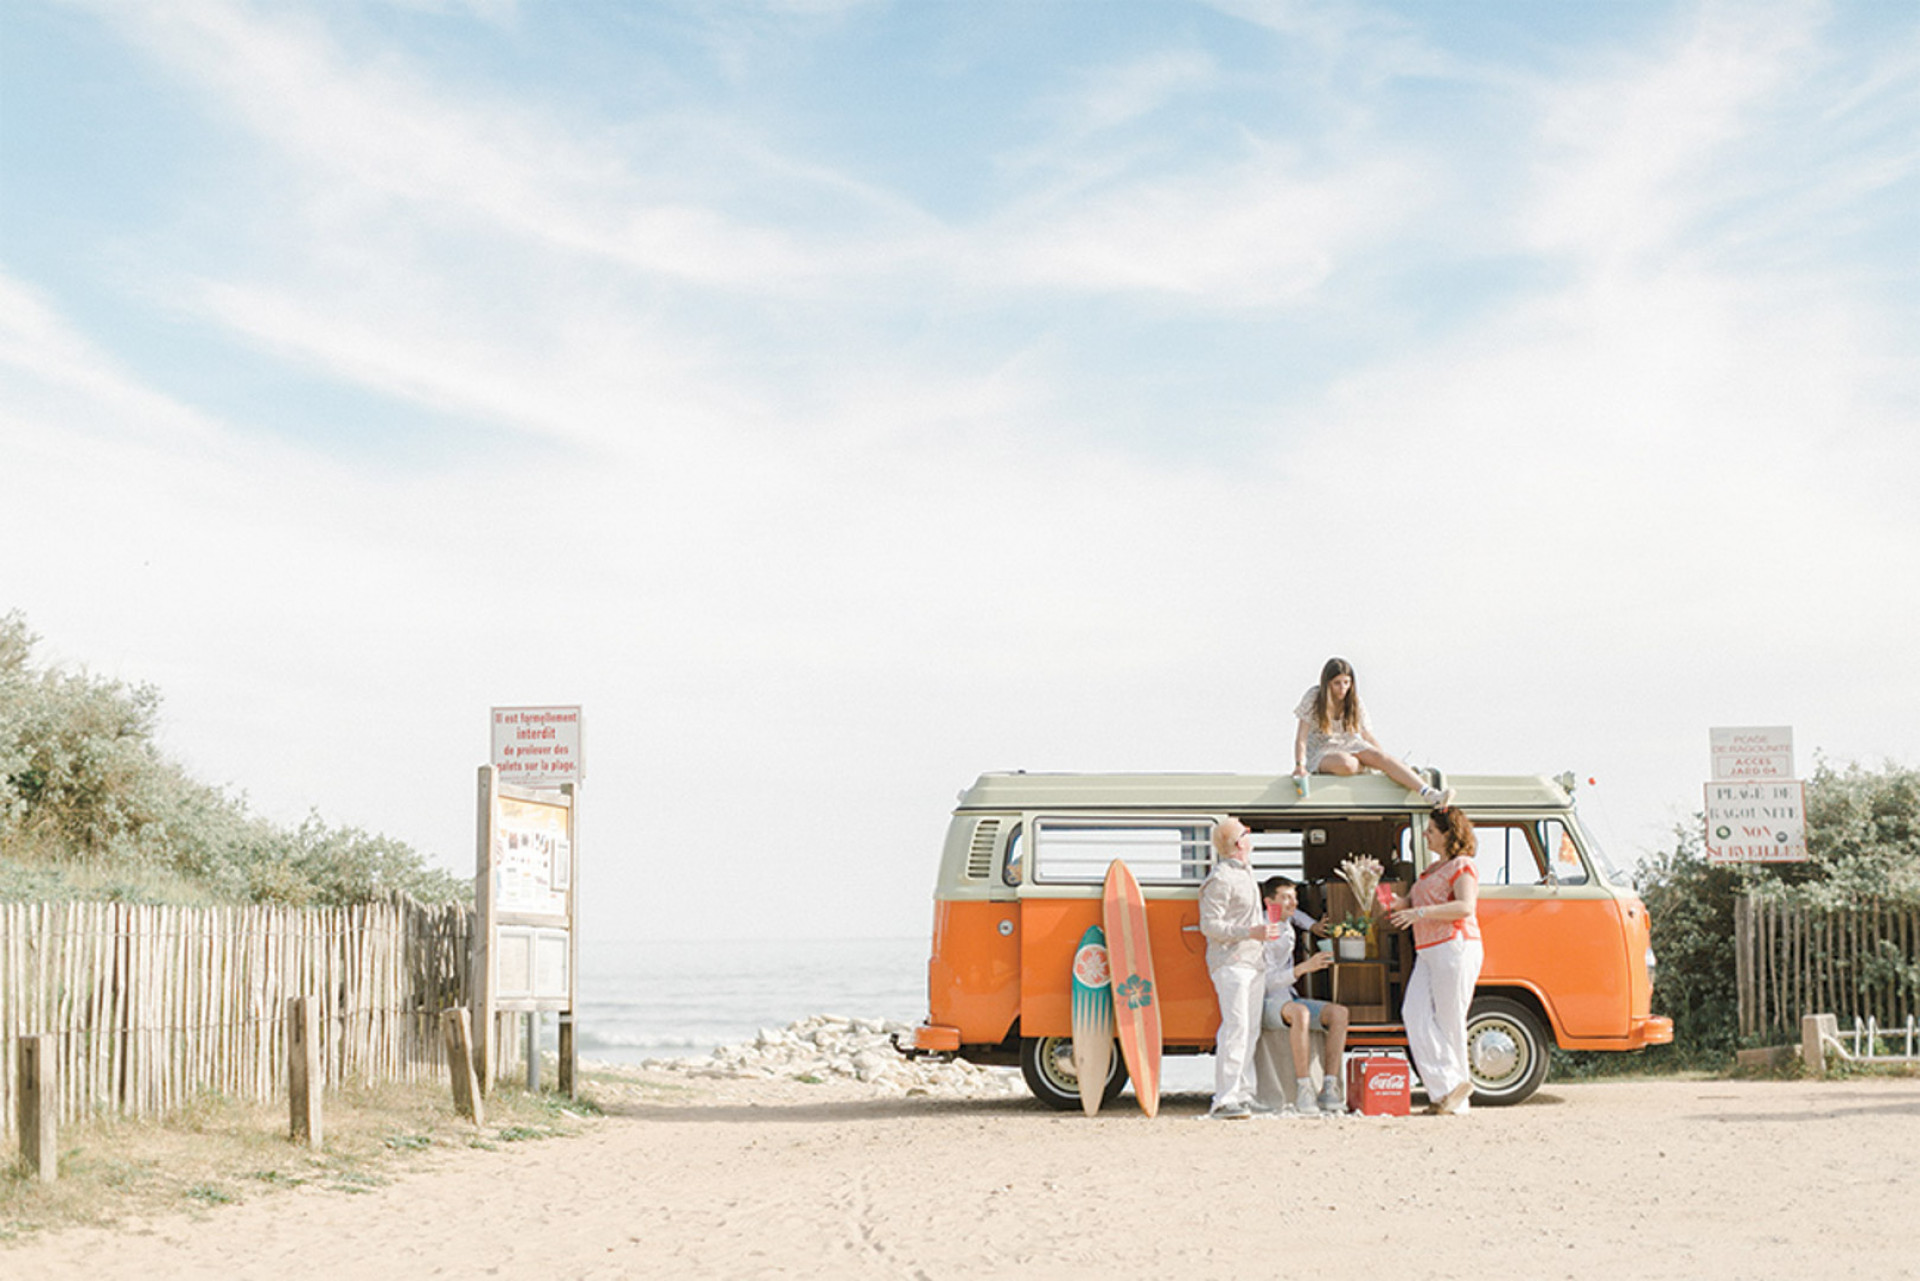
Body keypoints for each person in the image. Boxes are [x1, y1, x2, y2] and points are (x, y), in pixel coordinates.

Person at [1387, 803, 1482, 1115]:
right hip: (1428, 950)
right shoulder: (1431, 870)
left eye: (1430, 831)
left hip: (1454, 945)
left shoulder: (1462, 865)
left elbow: (1465, 907)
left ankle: (1454, 1100)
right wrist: (1380, 892)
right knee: (1413, 1014)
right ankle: (1447, 1087)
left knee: (1450, 1021)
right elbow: (1407, 904)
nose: (1425, 836)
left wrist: (1420, 912)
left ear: (1447, 834)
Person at [1293, 657, 1452, 806]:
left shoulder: (1354, 701)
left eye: (1346, 682)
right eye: (1337, 683)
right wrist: (1300, 765)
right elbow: (1301, 737)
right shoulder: (1314, 697)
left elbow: (1366, 735)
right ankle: (1368, 768)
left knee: (1380, 757)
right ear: (1327, 683)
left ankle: (1429, 793)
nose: (1343, 688)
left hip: (1349, 744)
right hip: (1322, 748)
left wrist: (1382, 760)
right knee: (1348, 764)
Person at [1198, 816, 1271, 1120]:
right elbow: (1209, 925)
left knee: (1250, 1029)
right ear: (1240, 843)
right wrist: (1250, 932)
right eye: (1246, 832)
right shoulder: (1221, 878)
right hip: (1232, 962)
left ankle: (1242, 1092)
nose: (1250, 835)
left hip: (1253, 961)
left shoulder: (1244, 872)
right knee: (1236, 1028)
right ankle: (1224, 1098)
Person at [1259, 875, 1350, 1116]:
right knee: (1301, 1013)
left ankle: (1330, 1086)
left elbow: (1297, 916)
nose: (1294, 902)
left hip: (1288, 996)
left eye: (1295, 896)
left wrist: (1313, 926)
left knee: (1339, 1013)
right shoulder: (1262, 930)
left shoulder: (1285, 919)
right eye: (1287, 897)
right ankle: (1304, 1088)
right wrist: (1302, 969)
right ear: (1270, 902)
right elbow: (1264, 982)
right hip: (1267, 1001)